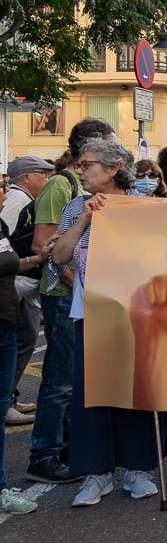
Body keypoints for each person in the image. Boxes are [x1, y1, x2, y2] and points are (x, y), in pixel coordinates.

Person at [52, 138, 167, 506]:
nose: (80, 170)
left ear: (114, 167)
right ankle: (96, 473)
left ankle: (138, 469)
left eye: (87, 164)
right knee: (92, 393)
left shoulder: (144, 204)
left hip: (138, 313)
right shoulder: (76, 205)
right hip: (91, 312)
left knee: (137, 389)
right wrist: (86, 216)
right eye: (79, 164)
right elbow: (57, 256)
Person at [25, 116, 113, 485]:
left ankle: (64, 447)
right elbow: (43, 245)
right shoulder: (63, 185)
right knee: (60, 381)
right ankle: (43, 456)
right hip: (63, 295)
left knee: (74, 380)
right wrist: (84, 285)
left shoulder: (79, 184)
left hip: (76, 294)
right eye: (108, 143)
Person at [0, 171, 51, 512]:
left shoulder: (0, 226)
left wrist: (36, 259)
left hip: (5, 322)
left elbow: (8, 261)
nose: (5, 195)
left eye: (4, 187)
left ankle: (1, 487)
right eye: (1, 189)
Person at [2, 156, 53, 427]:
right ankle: (6, 400)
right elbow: (6, 244)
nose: (46, 180)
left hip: (19, 281)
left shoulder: (21, 198)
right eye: (42, 175)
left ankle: (10, 395)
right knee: (21, 341)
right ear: (27, 178)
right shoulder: (17, 200)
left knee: (25, 340)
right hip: (16, 285)